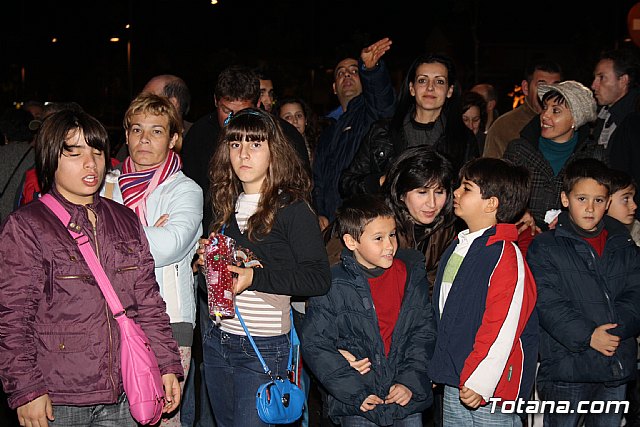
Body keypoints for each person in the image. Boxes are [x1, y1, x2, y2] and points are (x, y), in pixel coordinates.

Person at [0, 109, 183, 426]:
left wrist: (167, 365)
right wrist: (26, 389)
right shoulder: (27, 226)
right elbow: (13, 316)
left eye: (97, 152)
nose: (90, 163)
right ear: (50, 159)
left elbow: (148, 301)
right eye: (74, 153)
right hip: (59, 395)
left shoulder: (123, 219)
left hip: (126, 388)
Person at [203, 108, 331, 427]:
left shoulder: (292, 208)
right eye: (236, 144)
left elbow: (318, 278)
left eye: (255, 144)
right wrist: (208, 262)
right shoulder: (225, 204)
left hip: (263, 344)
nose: (243, 153)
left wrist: (254, 277)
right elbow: (225, 279)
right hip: (218, 338)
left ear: (275, 151)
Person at [301, 194, 436, 427]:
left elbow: (423, 333)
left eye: (392, 235)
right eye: (378, 238)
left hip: (405, 398)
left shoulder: (411, 275)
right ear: (351, 242)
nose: (389, 245)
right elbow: (316, 343)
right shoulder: (334, 284)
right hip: (360, 402)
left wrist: (410, 383)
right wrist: (354, 391)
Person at [527, 158, 640, 426]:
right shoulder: (545, 246)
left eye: (598, 200)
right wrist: (589, 335)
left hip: (614, 364)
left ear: (608, 202)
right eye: (582, 199)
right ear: (565, 199)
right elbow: (547, 302)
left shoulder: (624, 245)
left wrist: (613, 332)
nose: (590, 208)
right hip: (568, 369)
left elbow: (636, 294)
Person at [113, 93, 203, 426]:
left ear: (174, 139)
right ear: (126, 136)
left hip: (168, 320)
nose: (145, 139)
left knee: (162, 419)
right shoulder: (106, 185)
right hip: (109, 317)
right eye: (137, 130)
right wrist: (147, 230)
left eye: (156, 131)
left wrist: (113, 229)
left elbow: (170, 246)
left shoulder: (185, 190)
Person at [429, 157, 538, 426]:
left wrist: (481, 380)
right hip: (457, 377)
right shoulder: (459, 246)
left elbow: (502, 325)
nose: (455, 192)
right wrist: (439, 363)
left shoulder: (505, 255)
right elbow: (443, 313)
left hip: (490, 387)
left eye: (466, 188)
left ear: (491, 204)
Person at [340, 53, 478, 199]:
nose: (430, 87)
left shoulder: (464, 139)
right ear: (412, 88)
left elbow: (472, 190)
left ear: (449, 91)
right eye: (422, 80)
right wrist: (384, 181)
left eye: (439, 81)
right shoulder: (382, 131)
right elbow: (347, 183)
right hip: (388, 212)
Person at [312, 37, 396, 228]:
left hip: (365, 222)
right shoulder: (327, 132)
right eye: (340, 73)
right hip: (332, 224)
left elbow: (383, 103)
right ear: (334, 88)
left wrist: (372, 71)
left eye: (354, 71)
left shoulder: (372, 115)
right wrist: (319, 212)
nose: (347, 75)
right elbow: (317, 180)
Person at [503, 80, 605, 231]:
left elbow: (603, 202)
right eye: (545, 108)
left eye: (556, 111)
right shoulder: (519, 150)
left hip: (572, 239)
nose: (545, 115)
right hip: (524, 236)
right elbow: (500, 192)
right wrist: (519, 212)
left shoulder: (593, 156)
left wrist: (571, 218)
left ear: (575, 120)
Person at [591, 48, 640, 219]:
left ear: (623, 80)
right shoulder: (602, 115)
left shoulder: (634, 120)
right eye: (595, 78)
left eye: (602, 77)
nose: (594, 85)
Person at [483, 59, 563, 158]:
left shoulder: (567, 125)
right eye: (542, 85)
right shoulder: (504, 127)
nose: (548, 92)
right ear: (525, 88)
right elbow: (490, 166)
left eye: (555, 86)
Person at [142, 74, 194, 141]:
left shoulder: (200, 136)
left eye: (149, 98)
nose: (142, 103)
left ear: (172, 103)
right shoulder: (136, 137)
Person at [275, 97, 322, 166]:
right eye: (288, 117)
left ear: (306, 120)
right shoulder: (274, 150)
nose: (295, 120)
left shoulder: (319, 148)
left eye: (299, 116)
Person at [607, 168, 640, 244]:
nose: (635, 206)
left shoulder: (635, 228)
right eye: (626, 199)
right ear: (605, 201)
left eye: (633, 198)